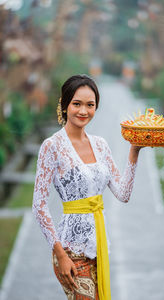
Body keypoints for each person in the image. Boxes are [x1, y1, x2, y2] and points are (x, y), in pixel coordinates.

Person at [32, 74, 144, 300]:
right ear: (64, 105)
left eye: (90, 105)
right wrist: (60, 254)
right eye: (77, 104)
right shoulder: (52, 146)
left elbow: (123, 194)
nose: (83, 111)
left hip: (98, 246)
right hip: (70, 250)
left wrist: (134, 151)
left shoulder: (100, 145)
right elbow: (39, 205)